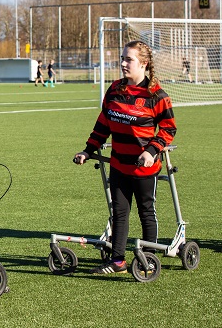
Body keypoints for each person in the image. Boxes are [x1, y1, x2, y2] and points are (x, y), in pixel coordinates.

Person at [73, 40, 176, 274]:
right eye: (122, 58)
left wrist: (151, 151)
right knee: (119, 213)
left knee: (146, 212)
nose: (122, 63)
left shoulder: (156, 95)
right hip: (119, 164)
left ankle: (148, 260)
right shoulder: (115, 90)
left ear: (144, 63)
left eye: (128, 59)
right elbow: (104, 123)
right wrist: (88, 150)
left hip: (144, 169)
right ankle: (117, 261)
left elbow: (168, 129)